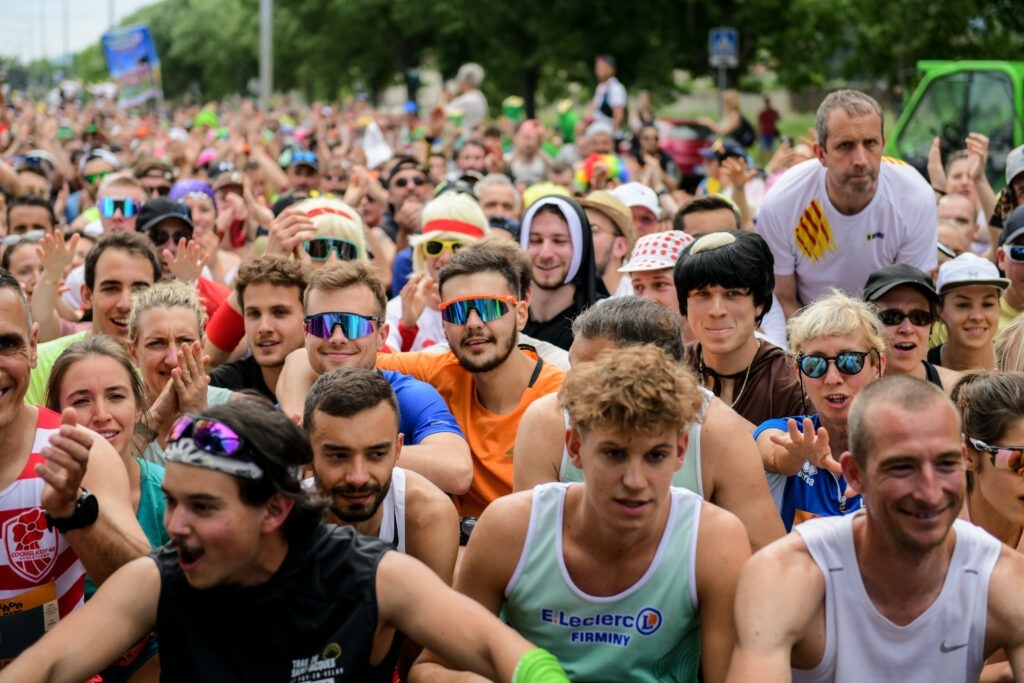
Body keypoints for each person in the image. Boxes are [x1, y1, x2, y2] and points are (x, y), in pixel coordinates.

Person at [0, 399, 573, 683]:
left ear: (275, 509)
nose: (174, 526)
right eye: (173, 501)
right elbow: (42, 671)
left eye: (202, 508)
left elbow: (501, 652)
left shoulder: (368, 575)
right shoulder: (160, 577)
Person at [412, 346, 750, 683]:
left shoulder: (712, 540)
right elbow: (429, 669)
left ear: (679, 453)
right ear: (574, 448)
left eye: (655, 456)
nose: (634, 481)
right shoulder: (512, 527)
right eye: (614, 454)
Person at [727, 375, 1024, 682]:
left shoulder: (1003, 577)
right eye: (902, 467)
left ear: (965, 460)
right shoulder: (787, 573)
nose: (930, 491)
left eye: (946, 464)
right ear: (855, 475)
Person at [514, 296, 786, 552]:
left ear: (655, 378)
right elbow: (531, 549)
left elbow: (765, 554)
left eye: (591, 376)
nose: (564, 392)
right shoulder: (546, 420)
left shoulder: (716, 430)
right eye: (572, 369)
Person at [0, 268, 149, 666]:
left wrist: (73, 511)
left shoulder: (79, 451)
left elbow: (144, 586)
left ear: (33, 348)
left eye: (6, 344)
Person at [280, 261, 473, 496]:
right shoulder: (292, 406)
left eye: (354, 325)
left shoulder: (408, 395)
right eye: (323, 325)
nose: (337, 337)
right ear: (306, 334)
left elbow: (458, 471)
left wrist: (329, 452)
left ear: (382, 336)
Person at [45, 335, 167, 681]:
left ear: (138, 402)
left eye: (116, 396)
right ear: (55, 414)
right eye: (81, 400)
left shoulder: (173, 495)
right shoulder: (32, 497)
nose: (101, 415)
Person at [758, 89, 937, 318]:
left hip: (885, 325)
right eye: (845, 146)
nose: (860, 160)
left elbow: (909, 299)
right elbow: (783, 299)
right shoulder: (781, 202)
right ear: (820, 153)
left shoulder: (915, 196)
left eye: (870, 143)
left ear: (883, 144)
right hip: (808, 327)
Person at [754, 290, 886, 530]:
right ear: (798, 373)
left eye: (850, 361)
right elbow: (774, 452)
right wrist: (796, 454)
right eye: (815, 365)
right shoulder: (783, 431)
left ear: (877, 367)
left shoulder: (905, 445)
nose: (833, 378)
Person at [676, 231, 804, 427]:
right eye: (702, 294)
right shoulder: (669, 371)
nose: (716, 311)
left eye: (732, 293)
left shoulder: (793, 381)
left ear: (759, 303)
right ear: (685, 304)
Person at [24, 231, 162, 406]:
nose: (125, 304)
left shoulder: (168, 366)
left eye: (139, 290)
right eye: (111, 288)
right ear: (87, 296)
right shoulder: (39, 364)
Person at [387, 191, 491, 352]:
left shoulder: (494, 309)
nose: (445, 258)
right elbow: (382, 368)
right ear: (422, 252)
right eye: (435, 246)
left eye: (458, 247)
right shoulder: (396, 311)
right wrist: (406, 329)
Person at [209, 256, 309, 402]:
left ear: (307, 317)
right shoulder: (224, 385)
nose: (264, 327)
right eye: (254, 314)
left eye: (279, 312)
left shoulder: (334, 383)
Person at [520, 195, 608, 350]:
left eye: (559, 241)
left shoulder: (604, 327)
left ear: (581, 248)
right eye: (535, 241)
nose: (545, 254)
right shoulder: (505, 319)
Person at [861, 263, 961, 391]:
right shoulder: (846, 392)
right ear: (867, 324)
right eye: (892, 317)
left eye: (919, 317)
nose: (907, 329)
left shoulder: (956, 392)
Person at [929, 252, 1008, 372]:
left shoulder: (1016, 365)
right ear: (940, 310)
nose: (977, 316)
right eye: (963, 305)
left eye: (987, 304)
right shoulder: (922, 372)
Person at [578, 189, 637, 297]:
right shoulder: (565, 299)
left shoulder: (637, 301)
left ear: (620, 246)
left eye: (593, 230)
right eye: (579, 230)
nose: (581, 237)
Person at [587, 54, 627, 135]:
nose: (598, 70)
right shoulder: (601, 87)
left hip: (606, 131)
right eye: (597, 67)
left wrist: (611, 135)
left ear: (611, 69)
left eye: (601, 67)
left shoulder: (616, 88)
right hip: (597, 129)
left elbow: (619, 114)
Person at [446, 63, 488, 134]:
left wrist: (443, 95)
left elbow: (444, 113)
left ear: (464, 81)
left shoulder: (467, 99)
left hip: (463, 139)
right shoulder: (480, 97)